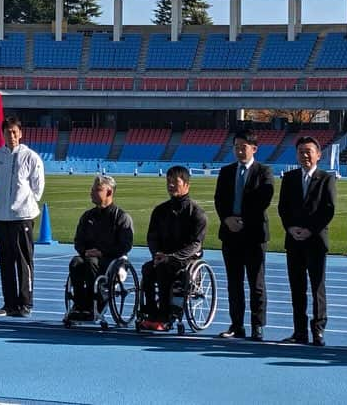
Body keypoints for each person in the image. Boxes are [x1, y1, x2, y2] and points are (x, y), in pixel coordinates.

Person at [214, 130, 274, 341]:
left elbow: (263, 200)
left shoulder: (264, 172)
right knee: (234, 283)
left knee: (256, 283)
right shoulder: (226, 172)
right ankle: (236, 325)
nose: (240, 151)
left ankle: (258, 325)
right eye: (237, 147)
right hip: (230, 234)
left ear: (254, 149)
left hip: (254, 234)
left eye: (244, 147)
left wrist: (243, 221)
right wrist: (227, 219)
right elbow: (219, 199)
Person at [278, 136, 336, 346]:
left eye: (309, 151)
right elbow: (283, 208)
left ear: (318, 155)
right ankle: (299, 331)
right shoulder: (289, 177)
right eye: (301, 151)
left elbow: (328, 210)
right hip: (293, 241)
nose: (305, 155)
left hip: (316, 241)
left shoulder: (326, 178)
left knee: (317, 288)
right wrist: (291, 228)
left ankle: (318, 330)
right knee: (297, 288)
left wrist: (310, 230)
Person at [140, 166, 207, 330]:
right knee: (148, 269)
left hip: (185, 260)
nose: (170, 185)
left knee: (163, 268)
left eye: (174, 182)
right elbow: (152, 236)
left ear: (186, 185)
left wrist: (173, 257)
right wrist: (156, 253)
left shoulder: (196, 213)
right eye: (168, 181)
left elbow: (195, 244)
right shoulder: (160, 210)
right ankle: (151, 311)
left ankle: (165, 314)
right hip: (162, 257)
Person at [0, 116, 45, 317]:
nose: (11, 135)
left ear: (20, 133)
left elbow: (37, 187)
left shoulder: (31, 157)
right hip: (1, 217)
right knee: (5, 262)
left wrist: (24, 204)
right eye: (7, 132)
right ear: (2, 134)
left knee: (24, 262)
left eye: (14, 132)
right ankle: (9, 303)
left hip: (22, 216)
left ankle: (25, 303)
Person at [67, 175, 134, 320]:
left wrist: (101, 252)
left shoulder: (121, 217)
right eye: (92, 189)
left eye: (97, 190)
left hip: (112, 260)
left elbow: (125, 245)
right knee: (76, 262)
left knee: (92, 263)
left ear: (109, 192)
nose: (91, 192)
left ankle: (92, 304)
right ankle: (79, 303)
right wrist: (85, 251)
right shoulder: (87, 216)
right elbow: (78, 240)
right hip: (89, 257)